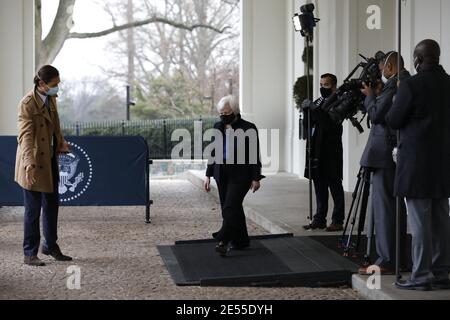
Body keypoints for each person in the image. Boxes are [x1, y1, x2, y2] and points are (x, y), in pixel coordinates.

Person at [386, 39, 450, 291]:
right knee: (442, 220)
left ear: (417, 59)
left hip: (416, 164)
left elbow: (394, 119)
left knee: (421, 223)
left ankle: (422, 275)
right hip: (443, 162)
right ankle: (442, 270)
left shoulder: (411, 85)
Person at [358, 52, 410, 275]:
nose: (380, 72)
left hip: (384, 155)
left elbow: (378, 115)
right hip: (390, 155)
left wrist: (370, 96)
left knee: (385, 209)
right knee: (393, 209)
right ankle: (397, 258)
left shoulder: (396, 84)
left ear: (389, 66)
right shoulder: (401, 83)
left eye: (381, 68)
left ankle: (387, 260)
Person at [15, 65, 73, 267]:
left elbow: (55, 124)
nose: (57, 88)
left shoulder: (51, 98)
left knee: (51, 206)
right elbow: (26, 136)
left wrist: (61, 142)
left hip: (49, 160)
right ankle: (29, 253)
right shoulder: (27, 103)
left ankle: (50, 246)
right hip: (31, 162)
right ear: (41, 83)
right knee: (33, 210)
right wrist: (29, 164)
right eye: (54, 85)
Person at [204, 96, 265, 256]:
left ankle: (223, 240)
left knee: (230, 207)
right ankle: (241, 241)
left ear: (235, 111)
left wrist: (256, 177)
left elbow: (254, 154)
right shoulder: (218, 127)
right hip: (221, 173)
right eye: (221, 113)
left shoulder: (248, 128)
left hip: (241, 175)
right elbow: (213, 152)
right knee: (231, 208)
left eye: (227, 112)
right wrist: (208, 175)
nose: (223, 116)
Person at [302, 74, 345, 232]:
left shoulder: (339, 102)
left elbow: (329, 124)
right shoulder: (319, 102)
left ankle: (338, 220)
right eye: (321, 84)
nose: (322, 88)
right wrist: (307, 111)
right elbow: (309, 124)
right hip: (316, 150)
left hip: (331, 151)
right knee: (319, 186)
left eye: (326, 85)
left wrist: (315, 111)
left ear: (333, 86)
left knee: (334, 186)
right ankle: (319, 218)